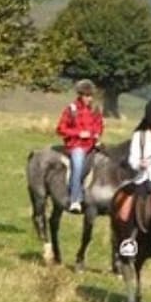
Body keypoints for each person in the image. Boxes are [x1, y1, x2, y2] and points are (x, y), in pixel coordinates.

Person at [55, 78, 104, 213]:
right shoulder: (71, 109)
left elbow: (99, 125)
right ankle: (75, 199)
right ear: (80, 95)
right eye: (86, 96)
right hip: (76, 145)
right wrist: (78, 133)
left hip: (92, 144)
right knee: (77, 166)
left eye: (91, 96)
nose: (89, 99)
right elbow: (60, 129)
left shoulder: (95, 110)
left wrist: (97, 134)